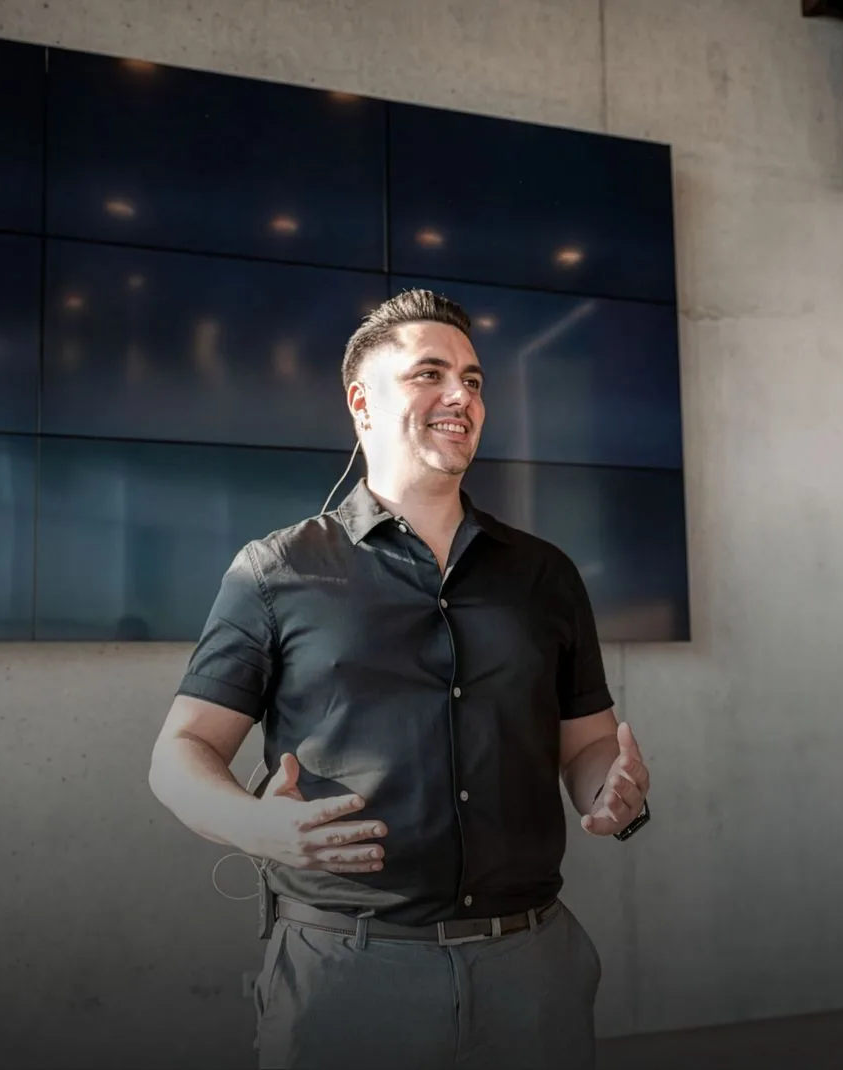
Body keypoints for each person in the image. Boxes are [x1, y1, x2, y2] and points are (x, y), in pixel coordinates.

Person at [147, 289, 652, 1069]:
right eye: (430, 374)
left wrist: (608, 791)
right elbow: (179, 753)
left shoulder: (545, 574)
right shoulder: (277, 570)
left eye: (473, 380)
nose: (461, 395)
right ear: (362, 403)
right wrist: (255, 827)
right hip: (347, 974)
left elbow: (586, 747)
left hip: (533, 969)